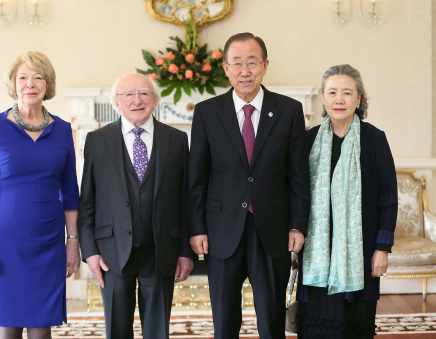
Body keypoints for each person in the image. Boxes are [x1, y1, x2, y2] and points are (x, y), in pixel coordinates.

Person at [189, 32, 309, 339]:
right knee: (225, 323)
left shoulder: (289, 111)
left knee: (271, 321)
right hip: (222, 230)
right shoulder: (206, 112)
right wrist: (197, 228)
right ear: (226, 68)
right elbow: (197, 177)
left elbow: (298, 175)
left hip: (272, 229)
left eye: (252, 62)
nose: (245, 71)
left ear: (265, 65)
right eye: (237, 63)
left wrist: (297, 225)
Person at [0, 51, 80, 339]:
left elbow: (70, 192)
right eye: (23, 77)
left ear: (48, 84)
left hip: (47, 240)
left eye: (38, 77)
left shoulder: (63, 130)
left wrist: (72, 242)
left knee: (42, 329)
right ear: (13, 84)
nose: (30, 83)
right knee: (9, 326)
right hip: (4, 241)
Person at [78, 73, 194, 339]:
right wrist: (90, 251)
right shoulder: (97, 141)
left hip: (161, 248)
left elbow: (185, 200)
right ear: (116, 102)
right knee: (117, 329)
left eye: (144, 93)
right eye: (128, 95)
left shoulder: (176, 140)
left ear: (155, 100)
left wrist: (185, 250)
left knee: (157, 329)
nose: (136, 100)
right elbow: (88, 201)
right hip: (111, 251)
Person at [297, 64, 398, 339]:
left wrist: (383, 247)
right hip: (317, 254)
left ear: (359, 99)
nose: (339, 99)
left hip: (361, 252)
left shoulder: (375, 139)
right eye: (332, 92)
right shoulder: (307, 141)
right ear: (323, 98)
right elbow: (297, 193)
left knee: (357, 326)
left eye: (347, 93)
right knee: (317, 327)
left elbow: (388, 197)